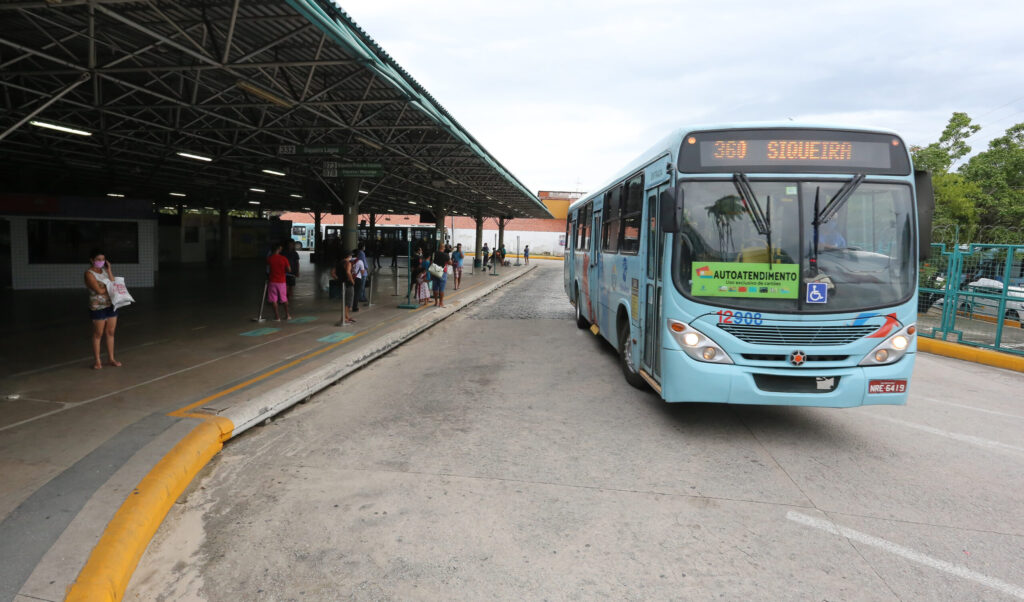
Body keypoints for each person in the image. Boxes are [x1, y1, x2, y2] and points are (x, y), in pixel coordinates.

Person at [85, 249, 121, 370]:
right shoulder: (89, 274)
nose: (101, 262)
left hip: (111, 305)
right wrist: (111, 288)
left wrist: (109, 270)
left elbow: (113, 282)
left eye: (103, 260)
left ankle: (111, 358)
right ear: (92, 260)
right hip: (98, 307)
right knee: (98, 334)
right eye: (98, 259)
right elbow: (99, 291)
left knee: (110, 332)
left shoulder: (105, 271)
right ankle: (98, 361)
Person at [266, 242, 292, 321]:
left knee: (274, 299)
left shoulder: (269, 259)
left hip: (272, 282)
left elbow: (267, 270)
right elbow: (289, 270)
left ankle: (277, 317)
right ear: (279, 249)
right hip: (282, 282)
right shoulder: (284, 259)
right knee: (284, 299)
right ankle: (287, 315)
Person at [330, 249, 356, 324]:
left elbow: (332, 273)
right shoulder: (348, 263)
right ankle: (344, 318)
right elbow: (348, 272)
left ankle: (346, 316)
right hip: (348, 284)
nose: (351, 256)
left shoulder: (338, 263)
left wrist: (339, 279)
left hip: (341, 284)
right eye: (351, 255)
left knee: (345, 301)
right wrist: (352, 281)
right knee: (348, 302)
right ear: (348, 256)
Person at [350, 250, 367, 314]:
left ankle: (348, 306)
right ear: (358, 255)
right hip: (357, 279)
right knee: (356, 293)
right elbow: (363, 272)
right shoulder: (360, 261)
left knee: (349, 293)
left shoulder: (349, 261)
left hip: (350, 278)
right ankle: (355, 307)